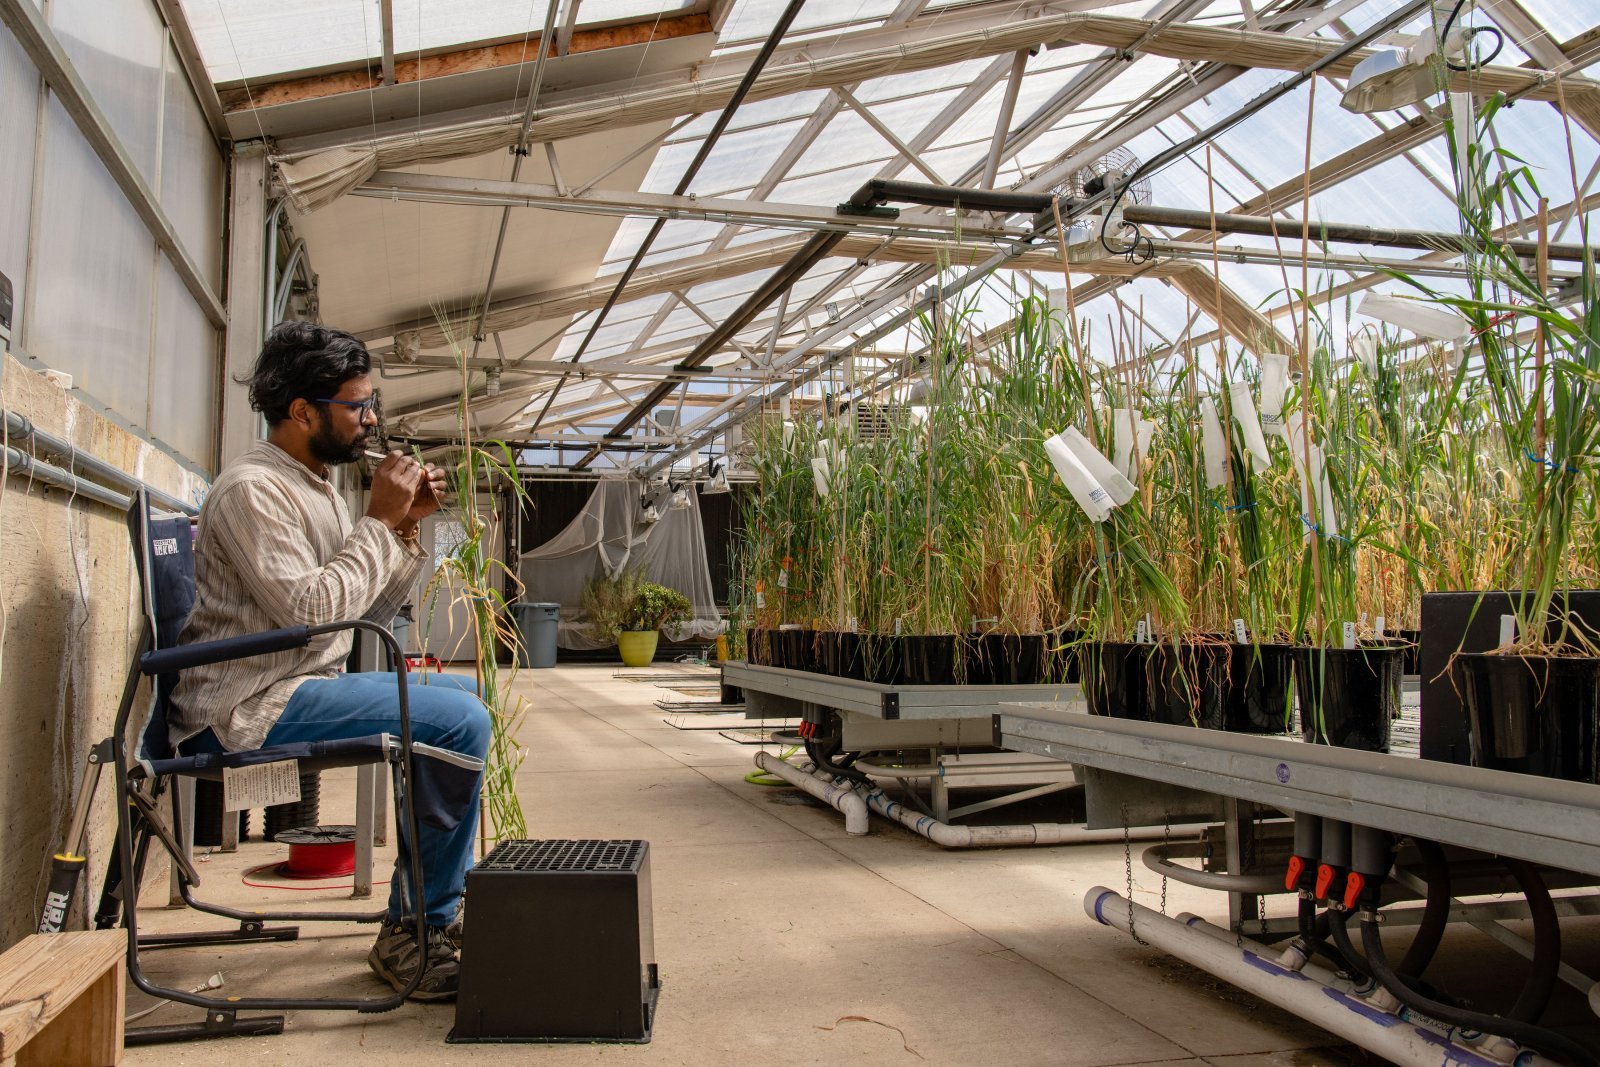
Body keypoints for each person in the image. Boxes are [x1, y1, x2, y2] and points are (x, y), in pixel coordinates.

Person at [170, 321, 490, 1001]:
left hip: (295, 680)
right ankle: (419, 929)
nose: (370, 420)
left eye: (370, 404)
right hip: (248, 703)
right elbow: (314, 612)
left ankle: (418, 918)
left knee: (461, 708)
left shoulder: (312, 485)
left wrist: (402, 528)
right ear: (302, 411)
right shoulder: (254, 490)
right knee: (459, 724)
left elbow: (362, 616)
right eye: (358, 405)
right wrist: (376, 522)